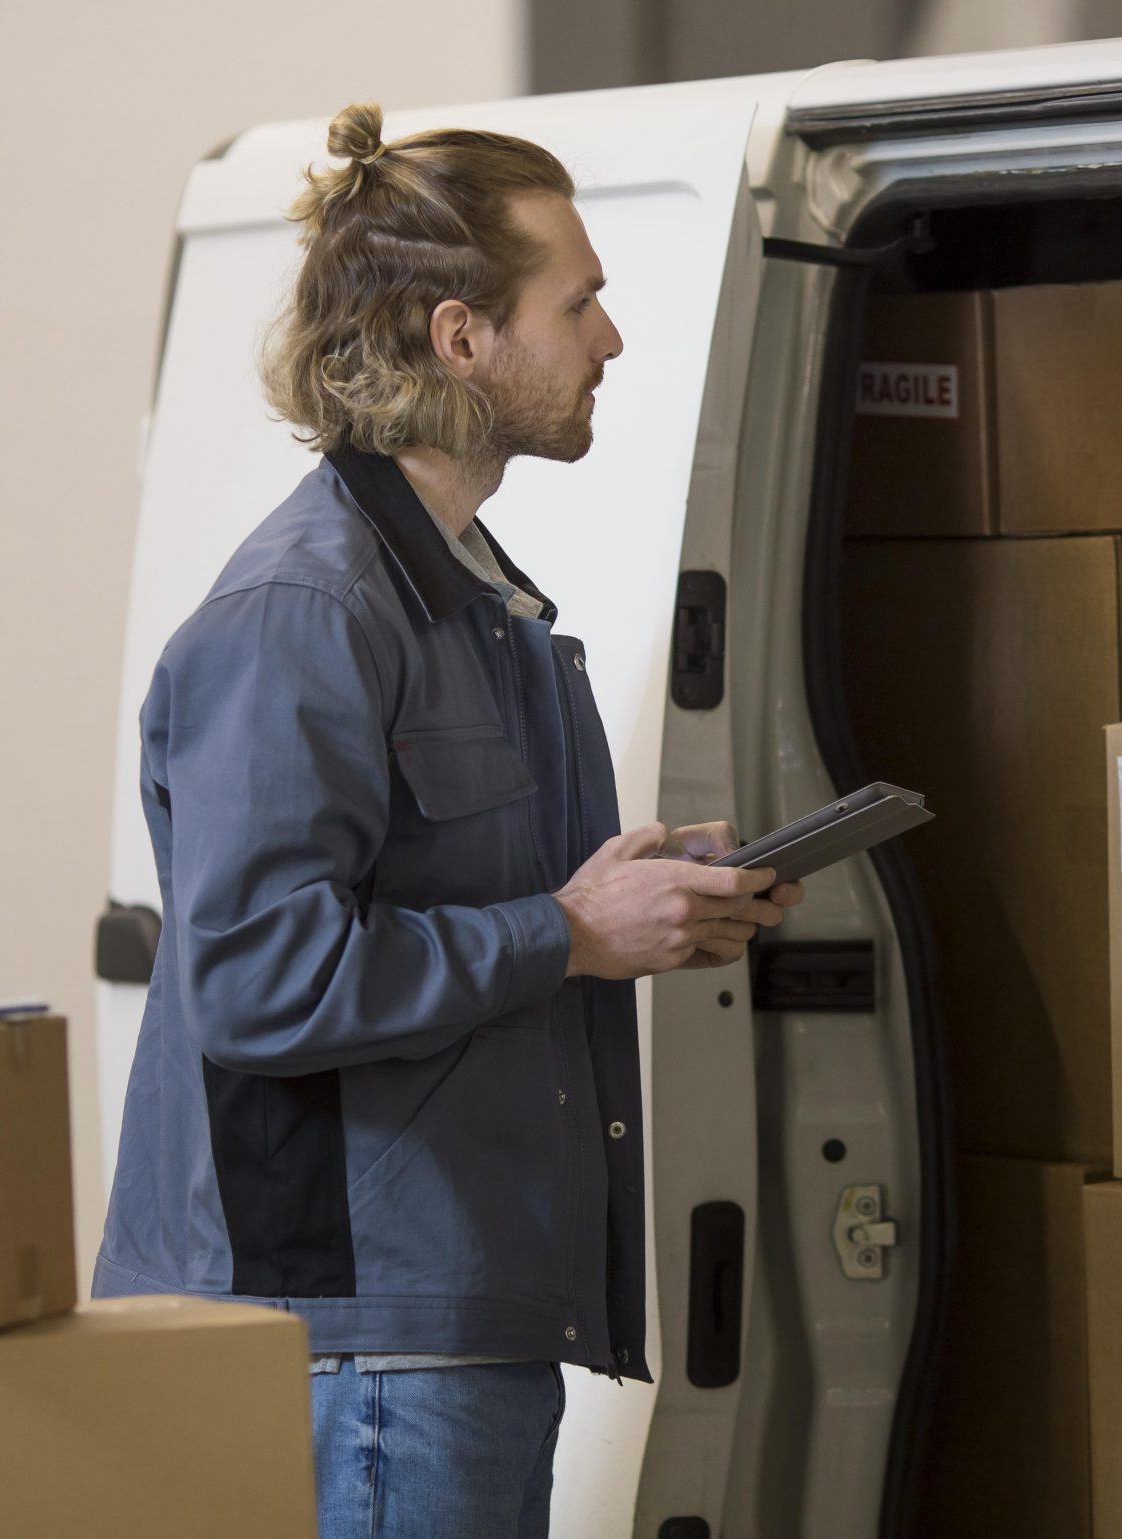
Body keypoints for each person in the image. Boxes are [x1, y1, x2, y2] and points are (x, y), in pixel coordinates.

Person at [93, 101, 801, 1539]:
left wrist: (629, 896)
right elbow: (258, 979)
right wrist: (566, 934)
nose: (611, 339)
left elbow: (458, 895)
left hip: (443, 1311)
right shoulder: (309, 610)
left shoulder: (464, 593)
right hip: (359, 1341)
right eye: (580, 301)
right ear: (460, 335)